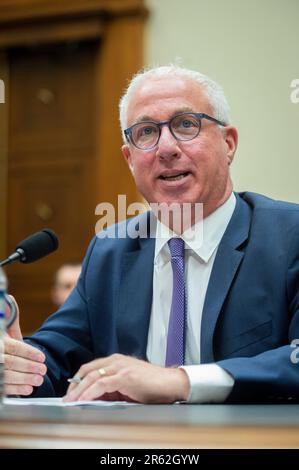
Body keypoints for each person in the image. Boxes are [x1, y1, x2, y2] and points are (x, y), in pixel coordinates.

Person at [4, 65, 299, 404]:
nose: (167, 148)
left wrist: (180, 381)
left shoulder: (288, 237)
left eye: (186, 124)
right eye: (146, 132)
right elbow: (57, 357)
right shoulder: (110, 250)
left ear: (228, 144)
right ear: (130, 159)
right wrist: (19, 363)